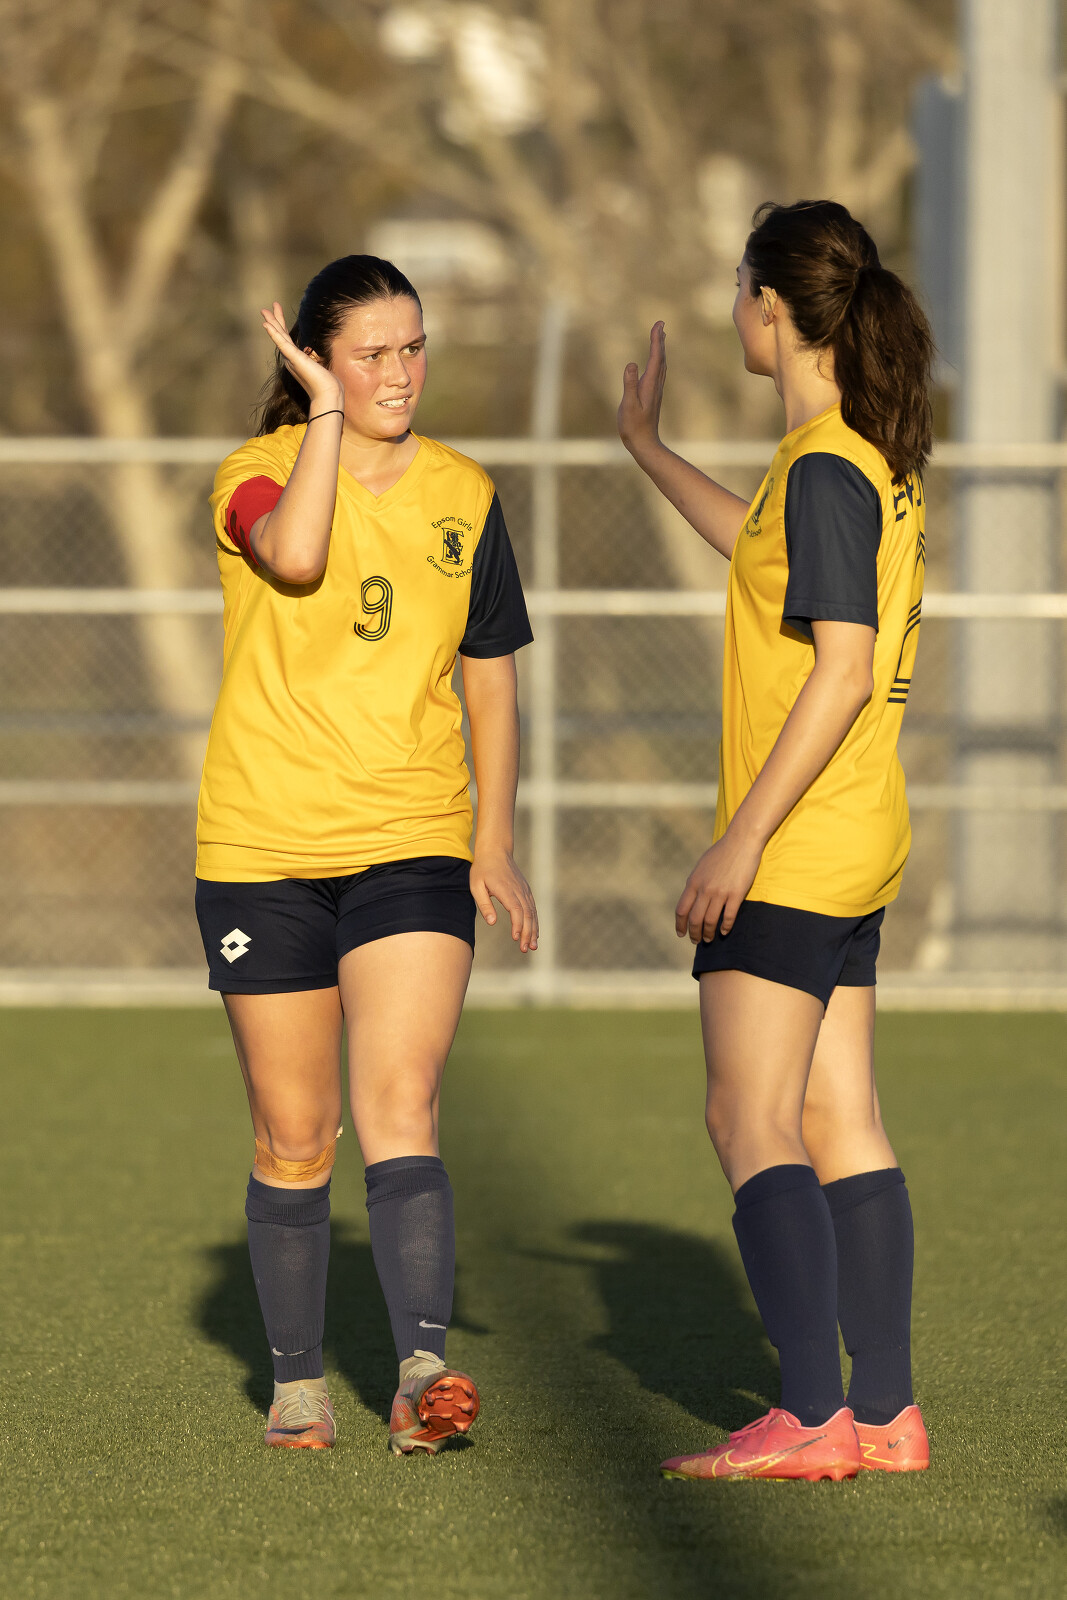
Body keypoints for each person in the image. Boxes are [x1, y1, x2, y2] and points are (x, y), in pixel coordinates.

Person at [195, 255, 537, 1453]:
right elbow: (294, 556)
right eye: (370, 354)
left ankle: (419, 1373)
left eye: (412, 348)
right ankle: (296, 1383)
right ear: (316, 365)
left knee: (399, 1098)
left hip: (411, 839)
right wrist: (324, 423)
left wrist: (493, 836)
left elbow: (490, 677)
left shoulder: (465, 493)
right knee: (295, 1132)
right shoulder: (253, 473)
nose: (399, 373)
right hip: (263, 848)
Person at [618, 201, 932, 1481]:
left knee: (746, 1113)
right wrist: (646, 447)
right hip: (856, 834)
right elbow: (757, 548)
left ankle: (808, 1414)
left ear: (769, 308)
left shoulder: (824, 467)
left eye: (737, 286)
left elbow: (841, 667)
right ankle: (885, 1412)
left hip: (797, 842)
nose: (730, 308)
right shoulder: (837, 459)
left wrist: (738, 840)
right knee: (836, 1111)